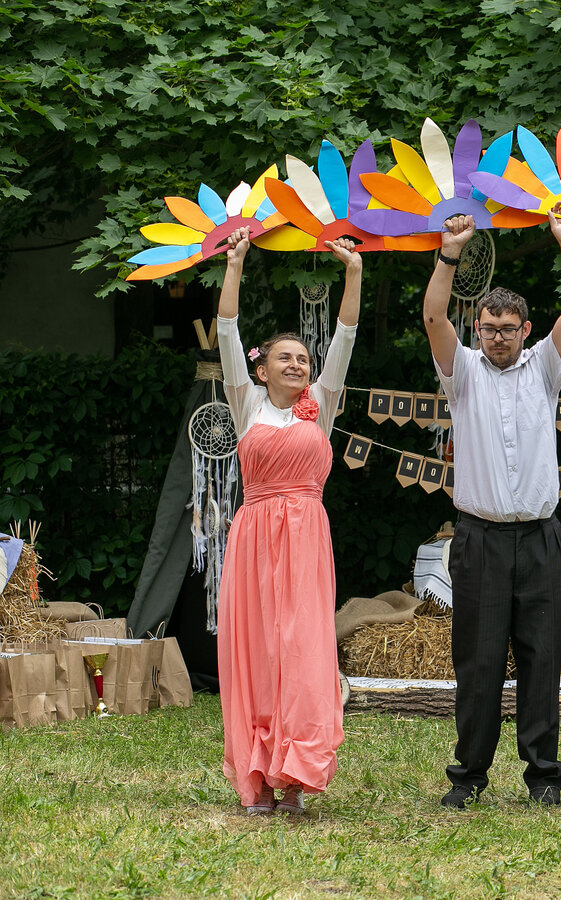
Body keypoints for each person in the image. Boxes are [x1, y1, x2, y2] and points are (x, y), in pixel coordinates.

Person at [425, 205, 561, 809]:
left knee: (543, 661)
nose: (498, 336)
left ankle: (543, 776)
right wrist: (450, 252)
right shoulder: (462, 372)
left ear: (525, 330)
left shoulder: (545, 367)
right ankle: (467, 776)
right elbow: (433, 315)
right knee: (479, 663)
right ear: (478, 329)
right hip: (480, 538)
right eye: (489, 327)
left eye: (508, 328)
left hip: (540, 537)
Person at [215, 226, 361, 816]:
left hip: (304, 540)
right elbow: (227, 329)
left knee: (301, 649)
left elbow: (345, 337)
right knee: (257, 650)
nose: (298, 364)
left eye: (303, 358)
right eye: (286, 357)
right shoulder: (246, 404)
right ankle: (258, 774)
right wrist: (235, 262)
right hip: (253, 538)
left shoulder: (319, 407)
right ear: (263, 370)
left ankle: (296, 775)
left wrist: (353, 272)